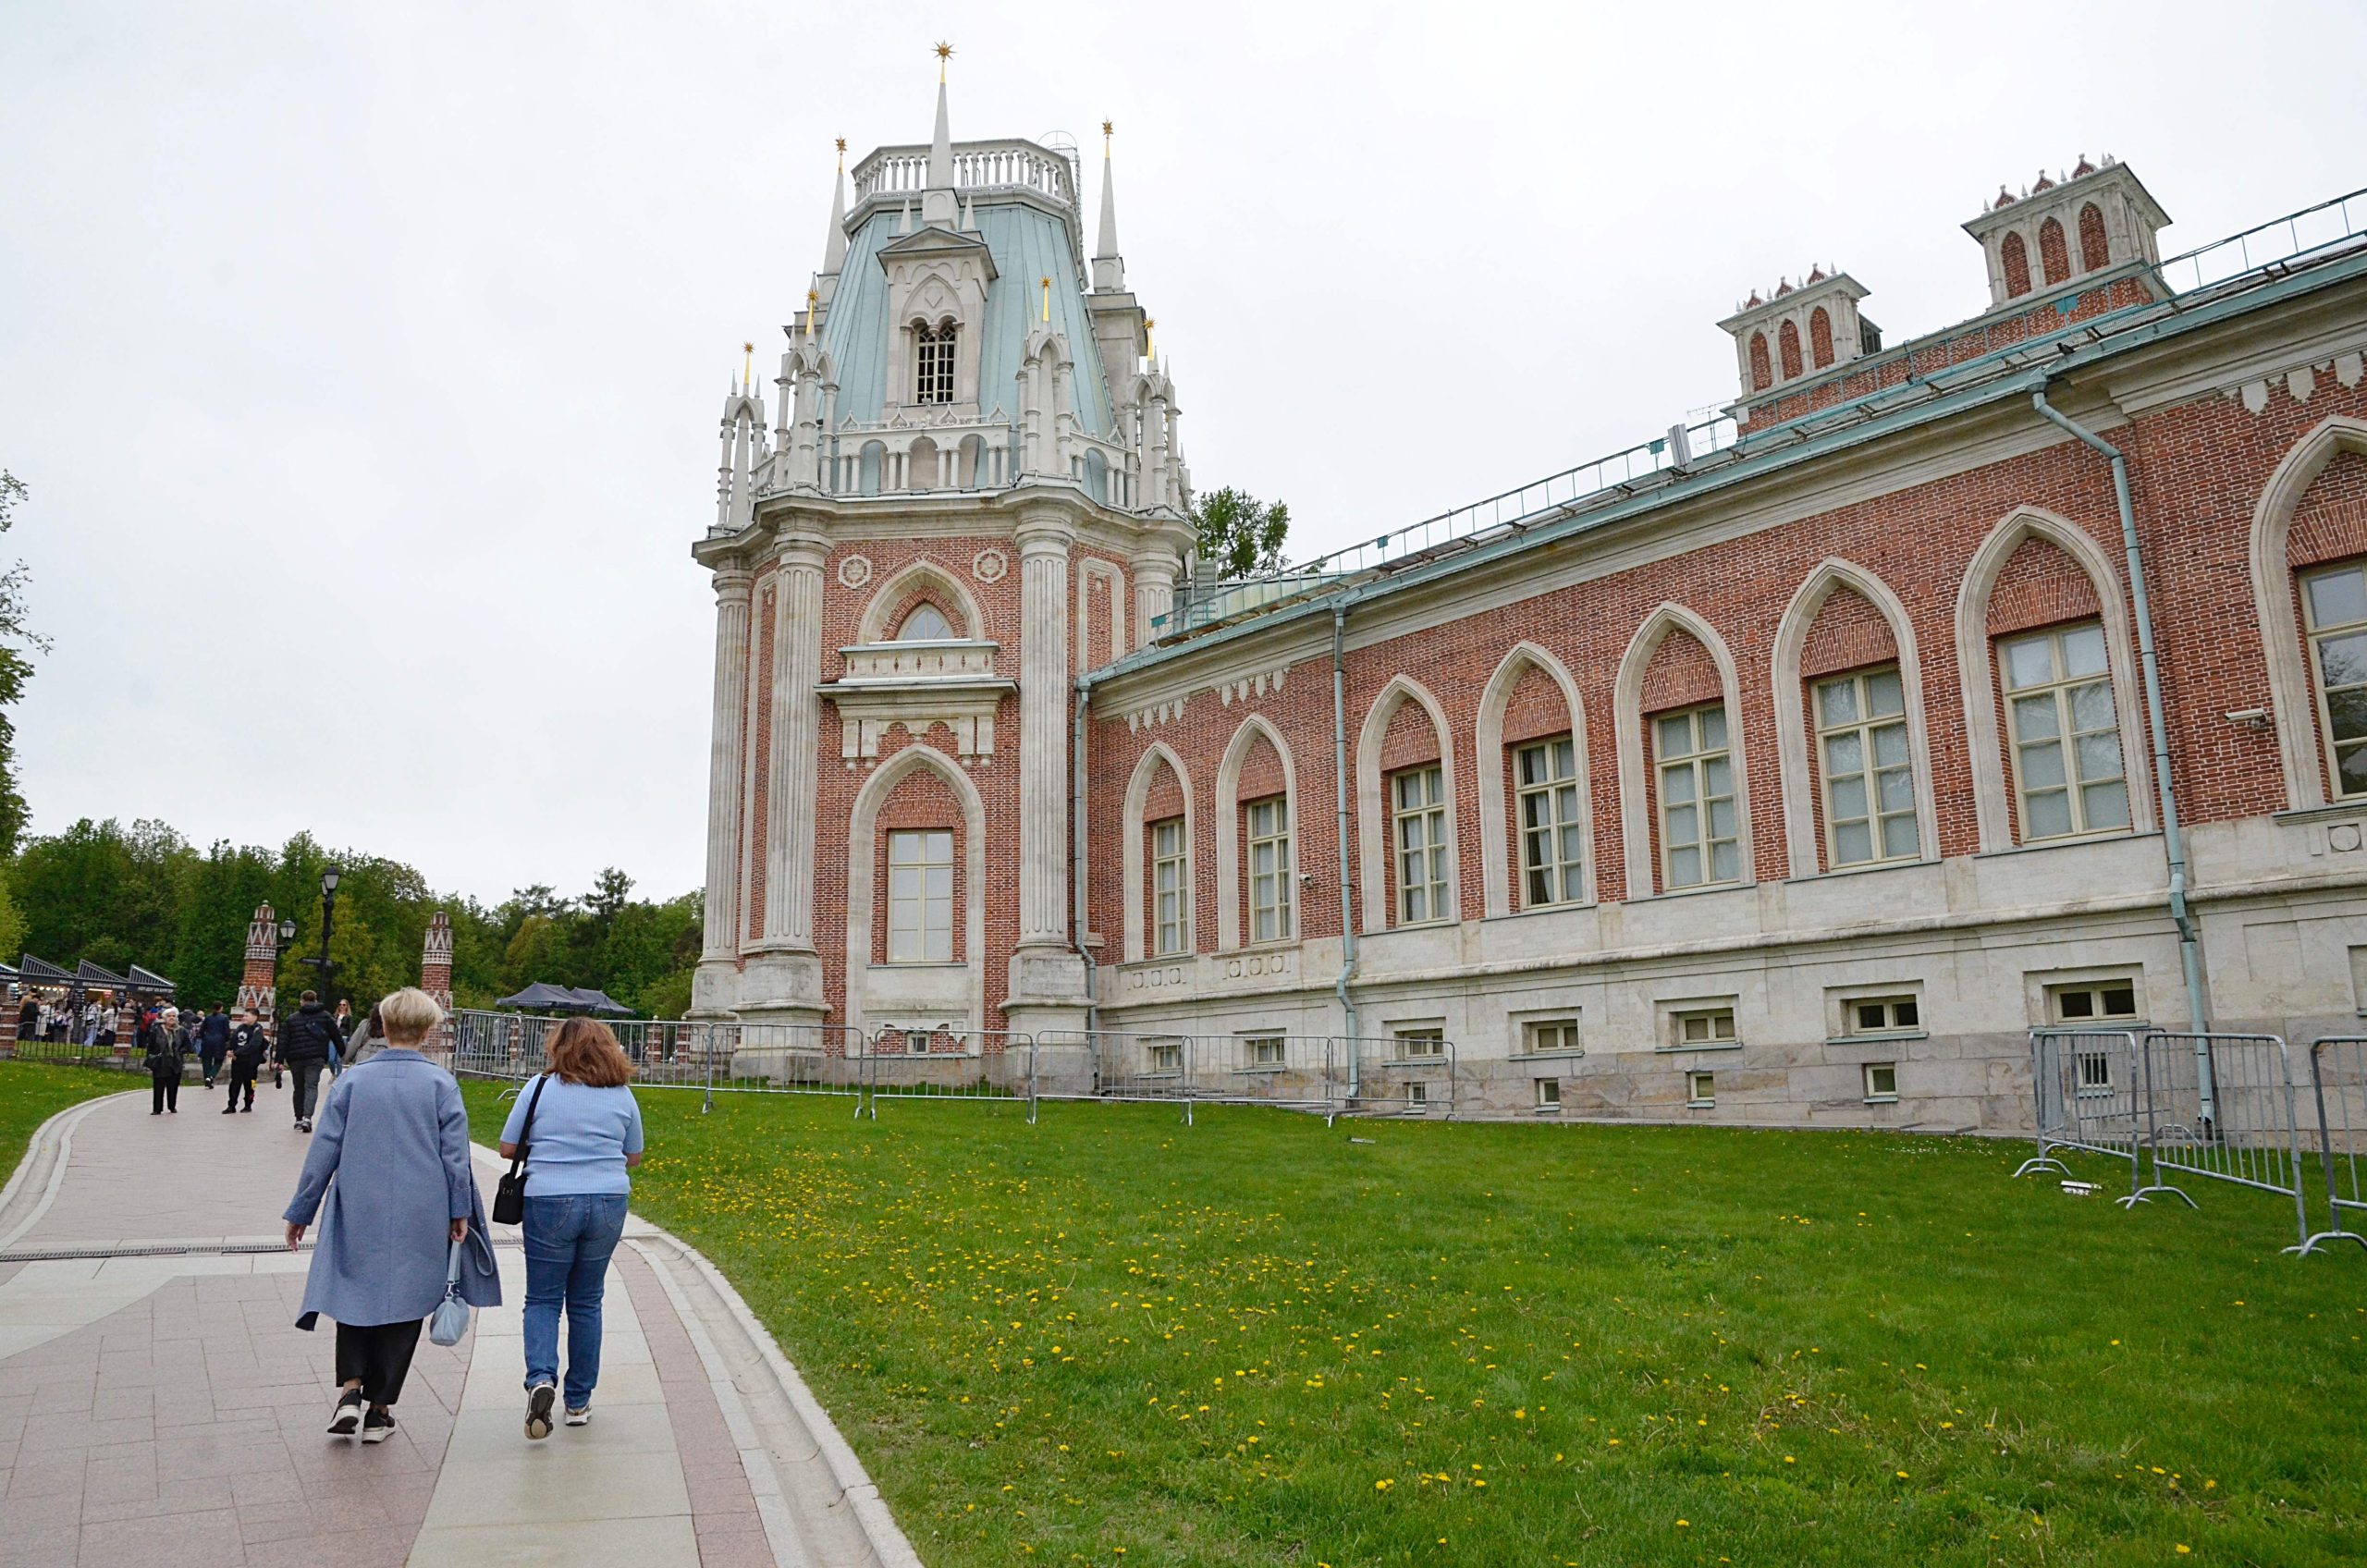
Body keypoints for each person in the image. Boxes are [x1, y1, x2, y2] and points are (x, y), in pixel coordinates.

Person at [283, 987, 499, 1445]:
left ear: (381, 1025)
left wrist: (303, 1208)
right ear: (427, 1029)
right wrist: (459, 1210)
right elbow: (454, 1156)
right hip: (425, 1206)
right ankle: (380, 1411)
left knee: (354, 1292)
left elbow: (324, 1148)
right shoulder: (441, 1083)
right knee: (408, 1302)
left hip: (359, 1202)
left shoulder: (353, 1081)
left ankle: (349, 1390)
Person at [498, 1016, 644, 1439]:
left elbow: (509, 1146)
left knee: (543, 1298)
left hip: (549, 1199)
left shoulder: (540, 1088)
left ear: (558, 1046)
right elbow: (633, 1155)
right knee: (587, 1301)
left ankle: (541, 1378)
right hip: (608, 1200)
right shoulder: (621, 1094)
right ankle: (578, 1400)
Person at [276, 990, 346, 1133]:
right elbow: (336, 1036)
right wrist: (344, 1053)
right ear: (315, 1000)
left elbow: (283, 1040)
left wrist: (279, 1060)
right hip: (316, 1057)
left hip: (296, 1058)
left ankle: (298, 1118)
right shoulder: (325, 1017)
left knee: (299, 1087)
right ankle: (308, 1118)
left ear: (301, 1001)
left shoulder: (292, 1018)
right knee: (311, 1086)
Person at [142, 1006, 187, 1114]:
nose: (171, 1018)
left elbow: (187, 1046)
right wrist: (151, 1059)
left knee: (173, 1087)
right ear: (164, 1018)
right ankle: (157, 1109)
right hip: (160, 1062)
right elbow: (151, 1047)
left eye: (173, 1016)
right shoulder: (156, 1030)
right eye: (169, 1016)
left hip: (175, 1062)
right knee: (158, 1086)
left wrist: (179, 1052)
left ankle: (172, 1106)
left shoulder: (181, 1031)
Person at [224, 1009, 268, 1113]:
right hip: (238, 1061)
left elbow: (253, 1045)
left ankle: (248, 1104)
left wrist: (237, 1053)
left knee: (250, 1084)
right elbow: (232, 1040)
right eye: (244, 1015)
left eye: (247, 1016)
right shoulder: (240, 1028)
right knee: (235, 1083)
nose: (244, 1018)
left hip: (251, 1062)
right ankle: (231, 1105)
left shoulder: (257, 1030)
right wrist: (228, 1050)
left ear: (255, 1017)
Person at [198, 1003, 231, 1087]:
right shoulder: (224, 1018)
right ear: (221, 1008)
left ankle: (206, 1078)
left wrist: (202, 1037)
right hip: (219, 1041)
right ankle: (211, 1076)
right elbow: (227, 1031)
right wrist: (228, 1040)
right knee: (218, 1061)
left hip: (207, 1040)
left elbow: (202, 1029)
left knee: (206, 1060)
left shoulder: (208, 1017)